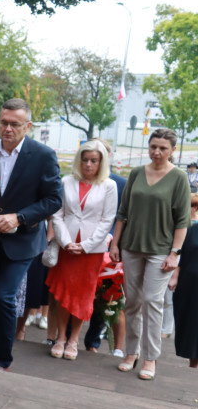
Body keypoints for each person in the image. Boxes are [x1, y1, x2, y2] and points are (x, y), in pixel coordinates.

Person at [0, 99, 61, 372]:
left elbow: (54, 199)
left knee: (3, 296)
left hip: (22, 241)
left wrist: (18, 218)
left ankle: (2, 360)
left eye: (14, 124)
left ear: (28, 126)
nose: (7, 129)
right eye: (3, 122)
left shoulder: (43, 155)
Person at [109, 128, 191, 380]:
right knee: (132, 302)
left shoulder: (178, 178)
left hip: (161, 250)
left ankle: (150, 358)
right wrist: (116, 244)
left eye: (163, 148)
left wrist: (175, 253)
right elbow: (123, 211)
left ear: (173, 151)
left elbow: (182, 220)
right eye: (153, 146)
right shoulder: (136, 173)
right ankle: (131, 353)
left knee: (152, 303)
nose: (157, 152)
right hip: (131, 247)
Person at [44, 140, 118, 361]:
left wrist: (86, 245)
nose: (88, 164)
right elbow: (56, 214)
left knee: (83, 294)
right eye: (85, 159)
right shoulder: (66, 181)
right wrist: (66, 242)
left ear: (101, 162)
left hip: (91, 250)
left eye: (94, 160)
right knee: (64, 294)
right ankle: (60, 337)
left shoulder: (109, 186)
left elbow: (107, 220)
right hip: (67, 246)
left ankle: (74, 339)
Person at [84, 141, 128, 355]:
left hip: (109, 249)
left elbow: (123, 216)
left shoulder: (120, 183)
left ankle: (94, 340)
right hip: (82, 245)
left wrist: (115, 243)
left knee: (107, 297)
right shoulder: (80, 181)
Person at [169, 193, 198, 368]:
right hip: (188, 283)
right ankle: (192, 361)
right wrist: (175, 276)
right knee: (188, 320)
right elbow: (182, 252)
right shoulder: (192, 229)